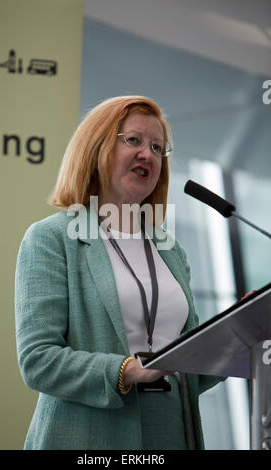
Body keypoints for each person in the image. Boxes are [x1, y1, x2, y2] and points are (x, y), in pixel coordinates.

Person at [15, 95, 226, 450]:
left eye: (158, 147)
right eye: (134, 140)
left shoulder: (170, 250)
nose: (148, 154)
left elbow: (189, 363)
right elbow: (38, 360)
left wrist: (237, 339)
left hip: (173, 430)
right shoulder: (51, 239)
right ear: (96, 147)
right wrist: (126, 370)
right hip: (89, 435)